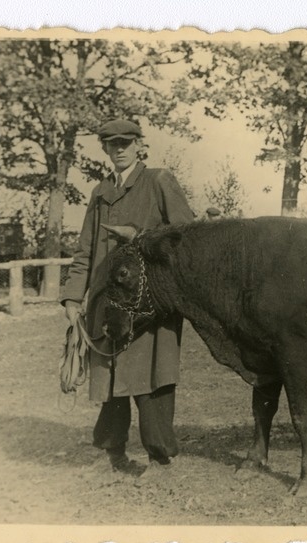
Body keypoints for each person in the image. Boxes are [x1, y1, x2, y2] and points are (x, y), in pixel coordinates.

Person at [60, 119, 194, 481]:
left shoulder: (158, 181)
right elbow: (84, 251)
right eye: (112, 143)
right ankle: (112, 453)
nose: (119, 149)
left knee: (152, 378)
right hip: (106, 303)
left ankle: (160, 460)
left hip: (149, 303)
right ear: (104, 148)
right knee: (108, 377)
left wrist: (139, 236)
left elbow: (186, 236)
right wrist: (72, 297)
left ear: (139, 145)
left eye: (126, 142)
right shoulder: (100, 191)